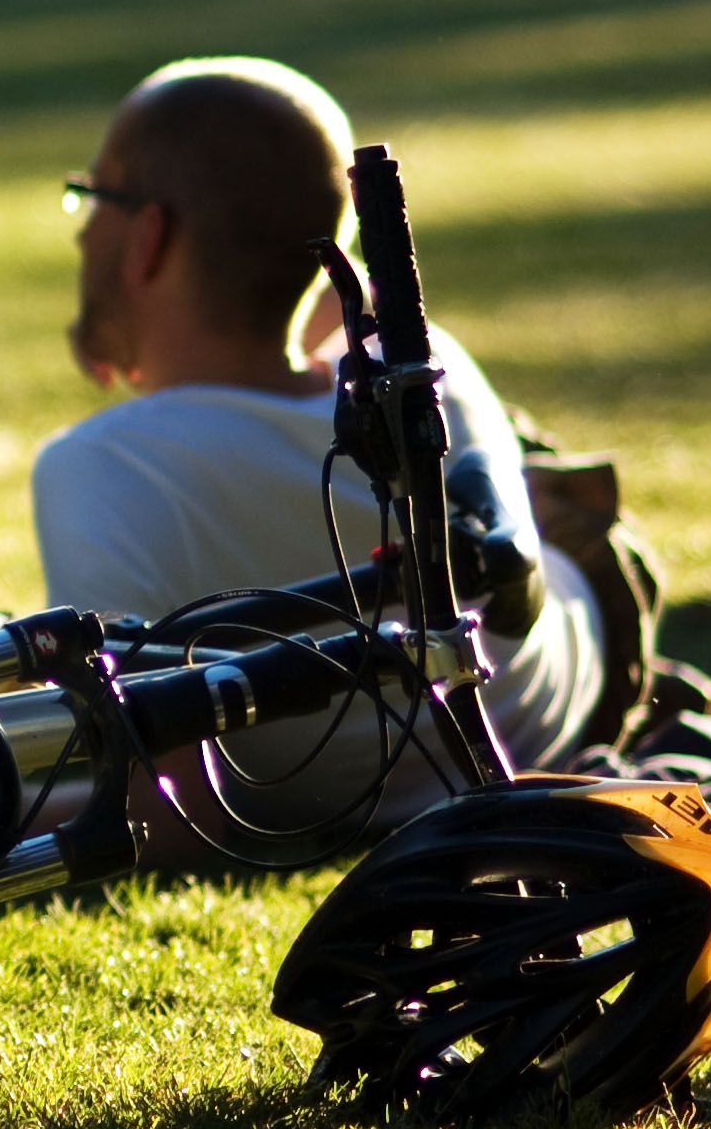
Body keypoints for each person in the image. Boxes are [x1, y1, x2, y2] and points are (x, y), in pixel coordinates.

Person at [34, 56, 610, 828]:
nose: (80, 232)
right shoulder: (427, 364)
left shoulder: (98, 469)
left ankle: (540, 486)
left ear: (148, 236)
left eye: (93, 196)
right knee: (508, 477)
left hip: (350, 801)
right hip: (555, 700)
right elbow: (336, 294)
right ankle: (540, 487)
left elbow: (163, 814)